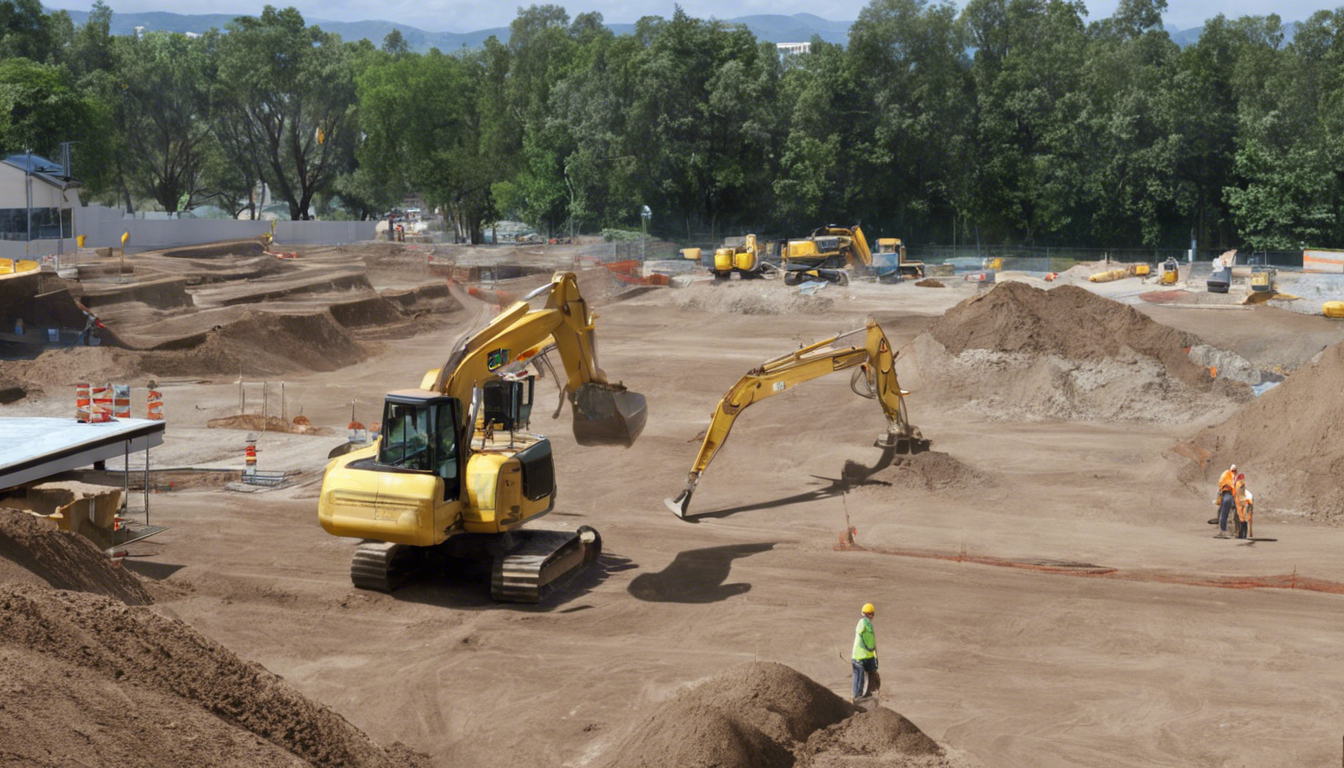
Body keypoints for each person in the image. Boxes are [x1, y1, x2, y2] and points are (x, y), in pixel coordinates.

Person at [851, 603, 878, 701]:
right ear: (870, 614)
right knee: (860, 676)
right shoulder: (864, 625)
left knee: (868, 675)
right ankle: (857, 698)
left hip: (864, 656)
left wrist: (874, 657)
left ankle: (865, 696)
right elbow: (870, 644)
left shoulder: (866, 625)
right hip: (860, 657)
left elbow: (872, 644)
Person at [1214, 463, 1237, 538]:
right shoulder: (1229, 476)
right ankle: (1231, 531)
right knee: (1225, 513)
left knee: (1224, 514)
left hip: (1228, 496)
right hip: (1229, 495)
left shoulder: (1227, 475)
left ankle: (1224, 530)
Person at [1233, 473, 1251, 539]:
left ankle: (1240, 534)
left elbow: (1234, 493)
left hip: (1238, 503)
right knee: (1244, 519)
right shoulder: (1242, 484)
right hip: (1244, 502)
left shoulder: (1237, 484)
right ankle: (1244, 535)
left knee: (1239, 519)